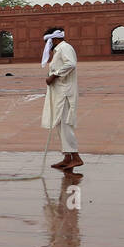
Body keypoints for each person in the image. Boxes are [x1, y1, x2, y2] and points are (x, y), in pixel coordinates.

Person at [40, 28, 81, 170]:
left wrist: (54, 75)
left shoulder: (65, 48)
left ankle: (76, 157)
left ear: (54, 39)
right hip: (59, 92)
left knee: (65, 125)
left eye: (48, 42)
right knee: (59, 124)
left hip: (65, 94)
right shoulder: (60, 49)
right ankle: (67, 157)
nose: (48, 45)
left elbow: (71, 64)